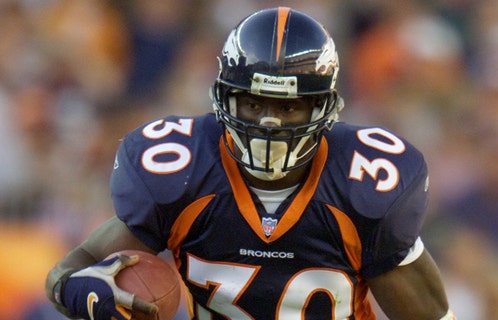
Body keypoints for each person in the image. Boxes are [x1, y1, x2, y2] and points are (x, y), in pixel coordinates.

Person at [45, 7, 455, 320]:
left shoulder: (362, 184)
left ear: (322, 107)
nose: (270, 124)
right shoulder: (185, 173)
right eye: (255, 103)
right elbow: (68, 271)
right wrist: (83, 291)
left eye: (289, 107)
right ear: (226, 98)